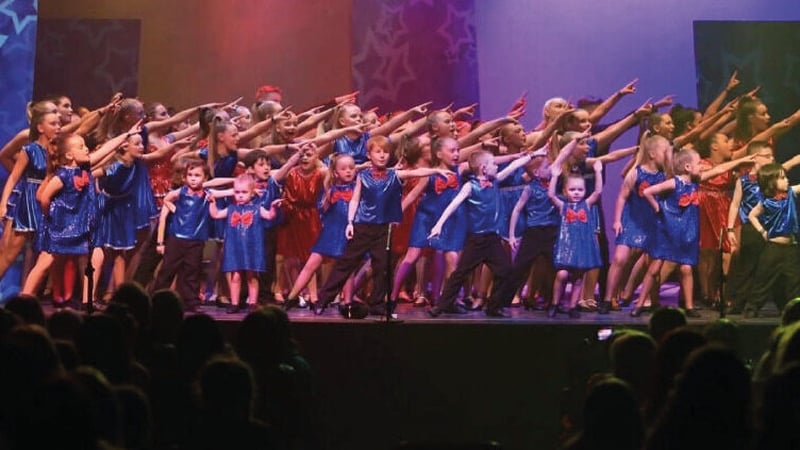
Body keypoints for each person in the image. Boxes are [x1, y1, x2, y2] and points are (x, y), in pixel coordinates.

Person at [309, 135, 451, 316]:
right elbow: (355, 199)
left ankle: (377, 304)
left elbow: (414, 173)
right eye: (378, 152)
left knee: (382, 268)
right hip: (362, 226)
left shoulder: (393, 174)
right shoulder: (362, 176)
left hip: (383, 229)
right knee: (345, 265)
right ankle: (322, 301)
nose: (382, 155)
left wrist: (436, 172)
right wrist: (350, 222)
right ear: (369, 155)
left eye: (385, 152)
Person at [20, 128, 140, 304]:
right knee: (44, 263)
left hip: (84, 224)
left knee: (97, 256)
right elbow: (44, 197)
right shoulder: (61, 175)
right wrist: (50, 217)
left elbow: (105, 150)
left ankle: (87, 301)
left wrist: (126, 135)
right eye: (81, 146)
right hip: (61, 226)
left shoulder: (85, 168)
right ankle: (24, 299)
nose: (86, 149)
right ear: (69, 155)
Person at [633, 148, 754, 317]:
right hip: (669, 231)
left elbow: (719, 169)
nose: (702, 167)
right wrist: (657, 208)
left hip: (686, 232)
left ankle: (689, 306)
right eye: (699, 164)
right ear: (688, 167)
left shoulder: (696, 182)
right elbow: (647, 192)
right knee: (655, 269)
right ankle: (639, 304)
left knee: (687, 269)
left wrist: (741, 161)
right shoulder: (674, 183)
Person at [428, 147, 547, 318]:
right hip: (476, 240)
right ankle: (441, 306)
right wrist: (438, 225)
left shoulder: (496, 181)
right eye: (493, 164)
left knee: (505, 271)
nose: (496, 167)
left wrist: (533, 155)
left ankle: (494, 306)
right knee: (460, 274)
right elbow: (453, 205)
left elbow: (513, 166)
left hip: (492, 239)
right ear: (483, 168)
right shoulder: (471, 186)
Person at [599, 135, 670, 314]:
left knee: (653, 263)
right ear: (653, 154)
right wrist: (616, 220)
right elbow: (622, 196)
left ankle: (654, 300)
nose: (668, 155)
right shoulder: (636, 172)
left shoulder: (665, 175)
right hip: (632, 220)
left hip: (653, 222)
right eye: (665, 152)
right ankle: (608, 298)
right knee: (620, 258)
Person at [284, 154, 357, 310]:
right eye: (344, 169)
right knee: (310, 265)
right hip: (330, 232)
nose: (349, 171)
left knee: (348, 268)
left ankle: (348, 301)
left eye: (351, 168)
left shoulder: (357, 188)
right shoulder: (328, 188)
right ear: (336, 172)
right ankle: (291, 298)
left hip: (348, 233)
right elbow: (322, 209)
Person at [0, 105, 61, 281]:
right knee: (9, 254)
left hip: (46, 202)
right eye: (53, 124)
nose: (58, 127)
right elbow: (13, 178)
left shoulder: (57, 152)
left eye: (59, 123)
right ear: (40, 128)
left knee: (41, 256)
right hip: (27, 202)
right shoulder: (30, 150)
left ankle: (28, 296)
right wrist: (3, 204)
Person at [208, 174, 281, 314]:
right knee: (235, 276)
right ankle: (234, 303)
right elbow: (216, 214)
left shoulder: (257, 208)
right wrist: (212, 203)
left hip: (251, 247)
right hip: (235, 247)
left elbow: (269, 216)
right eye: (237, 192)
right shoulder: (231, 209)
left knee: (251, 275)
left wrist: (273, 207)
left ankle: (252, 303)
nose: (240, 195)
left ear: (252, 192)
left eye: (244, 192)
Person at [153, 159, 214, 312]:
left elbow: (225, 189)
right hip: (176, 238)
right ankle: (157, 298)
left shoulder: (207, 195)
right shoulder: (181, 192)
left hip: (195, 240)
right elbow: (166, 198)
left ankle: (191, 302)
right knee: (167, 269)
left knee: (192, 271)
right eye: (190, 175)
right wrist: (174, 208)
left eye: (197, 175)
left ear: (205, 178)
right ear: (185, 177)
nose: (193, 178)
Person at [547, 159, 604, 318]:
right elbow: (551, 195)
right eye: (572, 189)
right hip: (566, 247)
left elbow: (598, 192)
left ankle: (573, 306)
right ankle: (555, 303)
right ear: (565, 191)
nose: (576, 192)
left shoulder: (586, 204)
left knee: (578, 279)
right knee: (562, 275)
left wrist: (598, 172)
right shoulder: (563, 206)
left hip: (581, 247)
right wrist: (554, 177)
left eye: (580, 189)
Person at [743, 162, 800, 318]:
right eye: (782, 178)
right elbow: (752, 215)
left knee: (793, 280)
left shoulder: (790, 194)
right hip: (773, 248)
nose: (786, 180)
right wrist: (762, 231)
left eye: (785, 177)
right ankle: (752, 306)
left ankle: (793, 309)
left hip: (791, 247)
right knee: (764, 277)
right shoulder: (766, 202)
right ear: (771, 182)